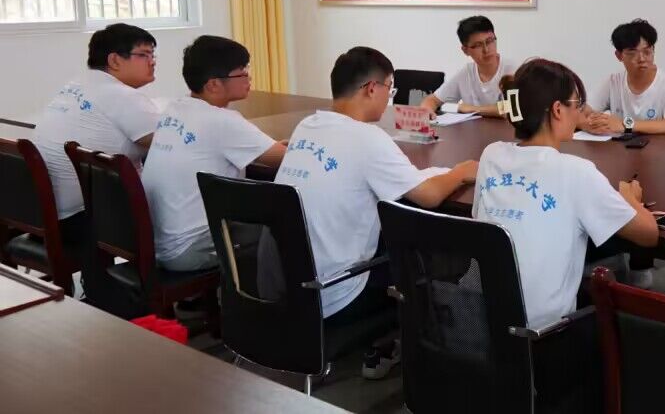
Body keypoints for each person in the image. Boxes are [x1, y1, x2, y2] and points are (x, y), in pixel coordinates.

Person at [277, 46, 477, 378]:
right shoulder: (367, 138)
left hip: (289, 286)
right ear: (372, 88)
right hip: (338, 292)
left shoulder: (307, 126)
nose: (388, 98)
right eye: (389, 89)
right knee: (443, 253)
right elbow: (428, 196)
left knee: (394, 230)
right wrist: (460, 173)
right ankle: (406, 346)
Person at [473, 58, 658, 328]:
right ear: (558, 110)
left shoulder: (491, 155)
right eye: (576, 104)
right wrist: (630, 199)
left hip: (479, 321)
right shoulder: (576, 171)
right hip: (545, 333)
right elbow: (649, 234)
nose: (580, 113)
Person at [141, 36, 286, 272]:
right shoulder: (221, 121)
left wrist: (272, 147)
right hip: (190, 249)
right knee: (289, 226)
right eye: (241, 73)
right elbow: (286, 159)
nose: (249, 77)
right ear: (214, 84)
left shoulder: (175, 109)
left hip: (157, 244)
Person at [32, 24, 162, 240]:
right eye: (143, 55)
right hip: (85, 220)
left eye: (153, 55)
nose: (152, 61)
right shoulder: (122, 96)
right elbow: (173, 146)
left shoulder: (75, 85)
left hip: (43, 216)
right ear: (114, 60)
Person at [583, 19, 665, 136]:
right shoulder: (613, 82)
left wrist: (625, 125)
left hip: (661, 147)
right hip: (622, 146)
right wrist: (592, 124)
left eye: (647, 52)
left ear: (653, 50)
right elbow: (580, 113)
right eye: (632, 53)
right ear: (619, 56)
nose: (641, 59)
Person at [419, 15, 518, 118]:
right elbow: (432, 99)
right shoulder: (465, 73)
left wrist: (471, 109)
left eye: (489, 41)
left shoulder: (513, 70)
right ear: (465, 50)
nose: (486, 50)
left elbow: (514, 108)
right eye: (478, 45)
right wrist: (427, 110)